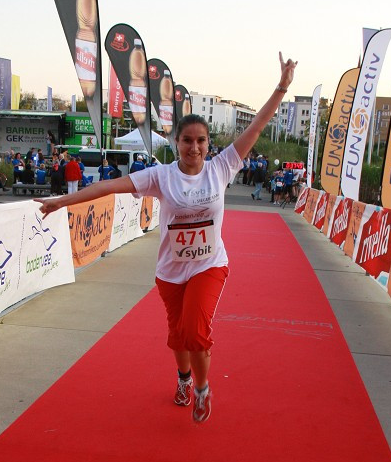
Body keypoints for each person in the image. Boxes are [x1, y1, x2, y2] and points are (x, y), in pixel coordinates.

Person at [36, 52, 297, 424]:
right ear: (176, 142)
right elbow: (110, 185)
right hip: (171, 272)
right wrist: (63, 200)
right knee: (177, 338)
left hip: (209, 265)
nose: (194, 148)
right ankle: (184, 378)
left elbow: (255, 127)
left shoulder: (223, 167)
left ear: (209, 144)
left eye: (201, 141)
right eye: (187, 141)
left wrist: (282, 86)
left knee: (194, 332)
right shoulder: (160, 177)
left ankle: (203, 391)